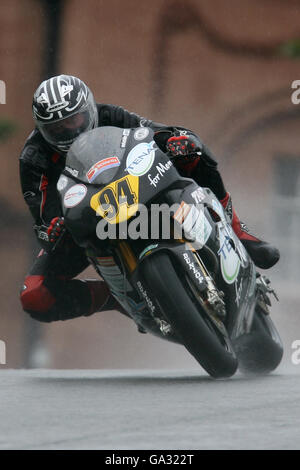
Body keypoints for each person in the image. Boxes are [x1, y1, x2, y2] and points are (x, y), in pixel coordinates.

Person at [19, 74, 279, 323]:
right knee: (34, 295)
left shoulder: (109, 115)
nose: (69, 131)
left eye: (74, 120)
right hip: (87, 221)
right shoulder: (33, 158)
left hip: (138, 189)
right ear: (42, 129)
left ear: (89, 110)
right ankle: (115, 297)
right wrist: (53, 226)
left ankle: (239, 231)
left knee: (193, 150)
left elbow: (152, 131)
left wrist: (175, 140)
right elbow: (43, 216)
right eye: (57, 129)